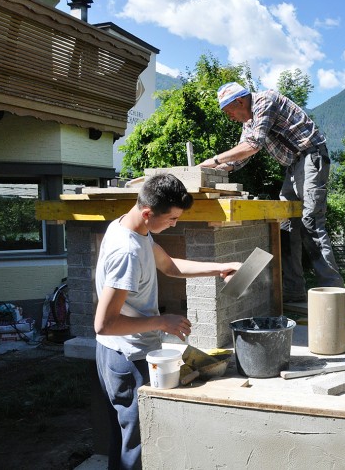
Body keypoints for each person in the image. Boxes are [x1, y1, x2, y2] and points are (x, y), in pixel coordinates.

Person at [94, 173, 241, 469]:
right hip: (126, 357)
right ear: (148, 213)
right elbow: (104, 324)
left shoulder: (133, 227)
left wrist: (220, 267)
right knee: (136, 446)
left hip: (120, 351)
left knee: (126, 440)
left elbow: (169, 265)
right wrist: (162, 321)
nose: (174, 224)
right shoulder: (127, 252)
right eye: (172, 219)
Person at [199, 82, 343, 303]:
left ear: (239, 101)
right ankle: (294, 291)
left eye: (229, 112)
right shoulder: (249, 122)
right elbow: (242, 155)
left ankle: (333, 294)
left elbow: (254, 144)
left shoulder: (265, 101)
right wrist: (217, 169)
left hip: (310, 157)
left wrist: (216, 158)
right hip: (293, 165)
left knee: (311, 222)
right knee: (286, 223)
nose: (230, 117)